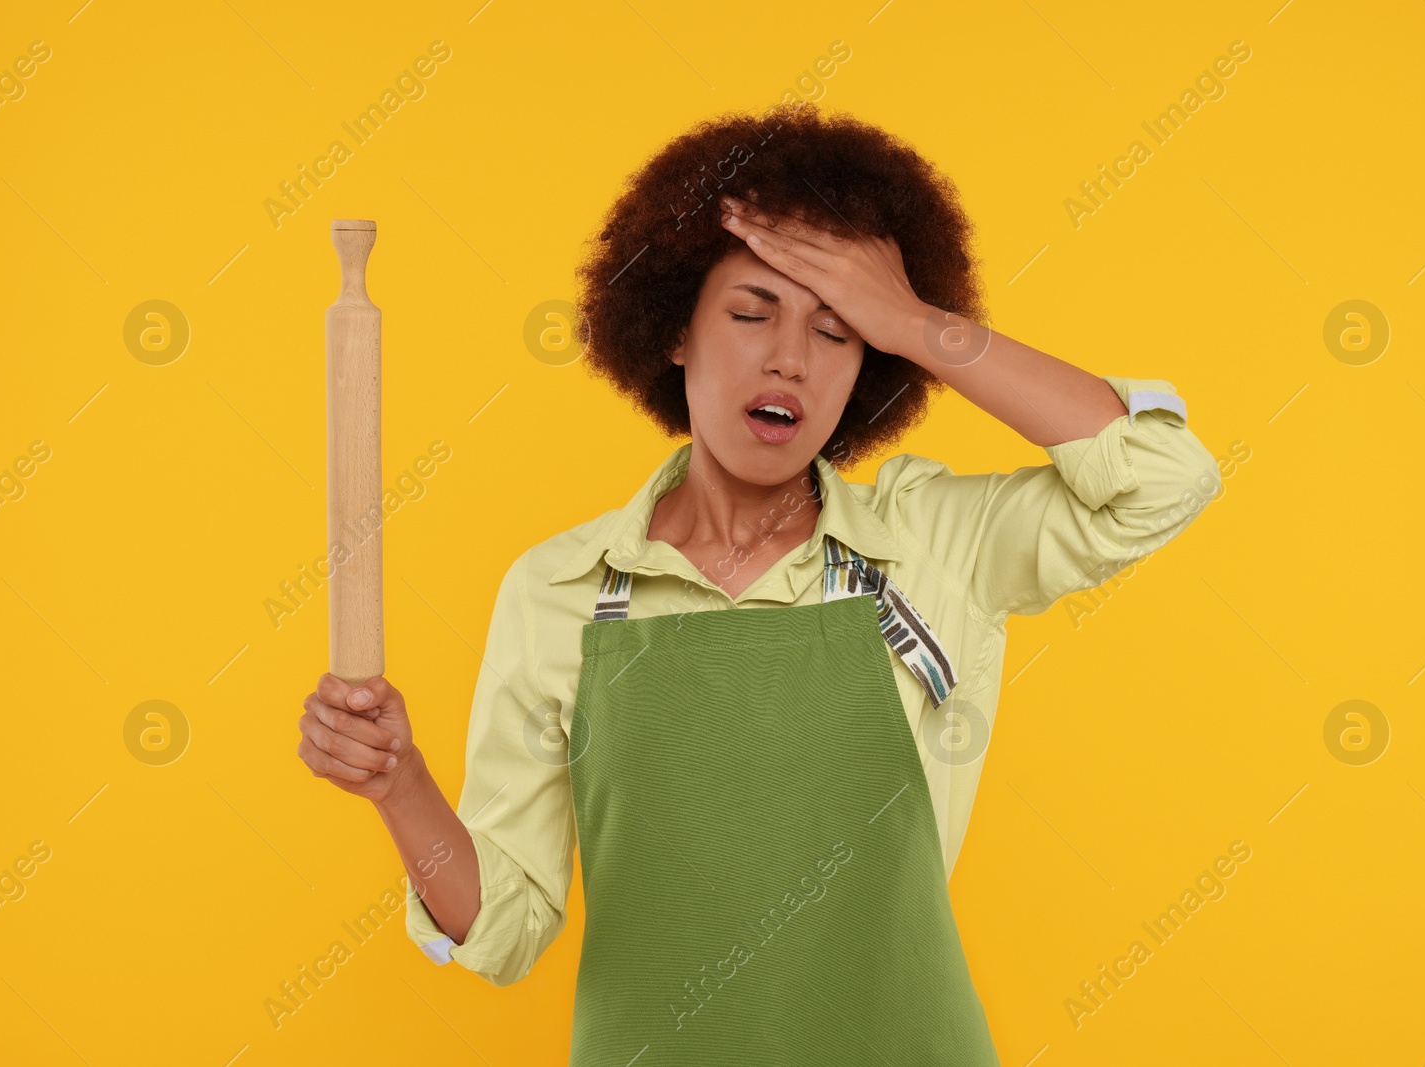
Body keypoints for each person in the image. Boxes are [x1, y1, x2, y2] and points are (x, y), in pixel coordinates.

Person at [298, 103, 1220, 1064]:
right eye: (750, 312)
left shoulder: (934, 543)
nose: (789, 356)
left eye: (838, 330)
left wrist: (915, 320)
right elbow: (505, 927)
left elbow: (1166, 477)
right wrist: (399, 784)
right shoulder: (561, 590)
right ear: (674, 334)